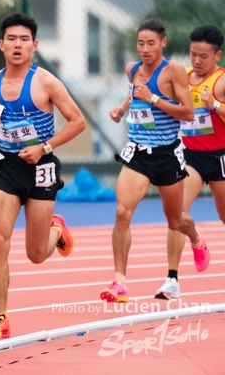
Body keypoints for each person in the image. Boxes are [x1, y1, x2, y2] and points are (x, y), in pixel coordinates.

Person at [0, 13, 86, 339]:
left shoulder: (47, 83)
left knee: (36, 254)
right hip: (6, 168)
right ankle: (1, 317)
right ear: (1, 44)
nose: (17, 45)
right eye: (11, 39)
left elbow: (77, 121)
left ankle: (57, 229)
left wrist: (44, 146)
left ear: (34, 45)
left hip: (41, 167)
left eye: (24, 40)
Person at [104, 18, 210, 303]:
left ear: (163, 43)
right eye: (140, 43)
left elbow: (188, 113)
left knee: (176, 220)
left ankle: (196, 236)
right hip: (138, 151)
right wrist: (121, 109)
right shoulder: (132, 69)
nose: (145, 49)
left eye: (151, 43)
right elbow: (133, 95)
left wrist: (153, 99)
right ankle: (119, 281)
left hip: (167, 153)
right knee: (122, 212)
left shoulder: (173, 71)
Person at [155, 25, 222, 299]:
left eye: (203, 56)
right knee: (176, 215)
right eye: (193, 54)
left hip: (220, 157)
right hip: (191, 155)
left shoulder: (220, 81)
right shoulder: (181, 77)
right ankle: (172, 279)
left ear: (217, 56)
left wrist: (214, 105)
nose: (196, 60)